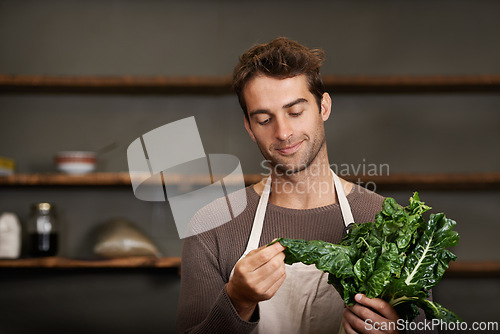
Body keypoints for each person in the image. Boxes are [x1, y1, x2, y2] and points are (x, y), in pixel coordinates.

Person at [176, 37, 429, 334]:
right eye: (264, 119)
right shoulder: (212, 226)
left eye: (295, 112)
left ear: (323, 106)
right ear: (249, 127)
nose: (283, 132)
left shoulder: (390, 223)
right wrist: (237, 301)